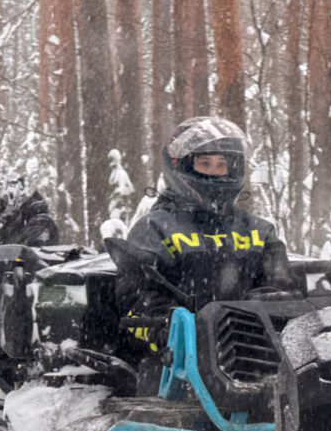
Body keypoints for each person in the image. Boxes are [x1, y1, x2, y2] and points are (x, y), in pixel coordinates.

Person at [113, 116, 294, 347]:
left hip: (257, 352)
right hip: (177, 360)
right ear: (184, 167)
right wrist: (170, 329)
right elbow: (137, 300)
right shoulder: (155, 230)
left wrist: (266, 313)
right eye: (205, 164)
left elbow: (283, 290)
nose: (216, 173)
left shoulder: (258, 230)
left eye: (222, 165)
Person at [0, 173, 59, 247]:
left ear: (12, 199)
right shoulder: (15, 223)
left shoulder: (40, 222)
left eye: (0, 204)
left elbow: (23, 256)